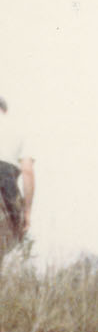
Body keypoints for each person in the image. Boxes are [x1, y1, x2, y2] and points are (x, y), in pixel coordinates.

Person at [0, 95, 34, 251]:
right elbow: (27, 172)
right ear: (4, 110)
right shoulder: (19, 130)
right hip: (7, 187)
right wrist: (27, 212)